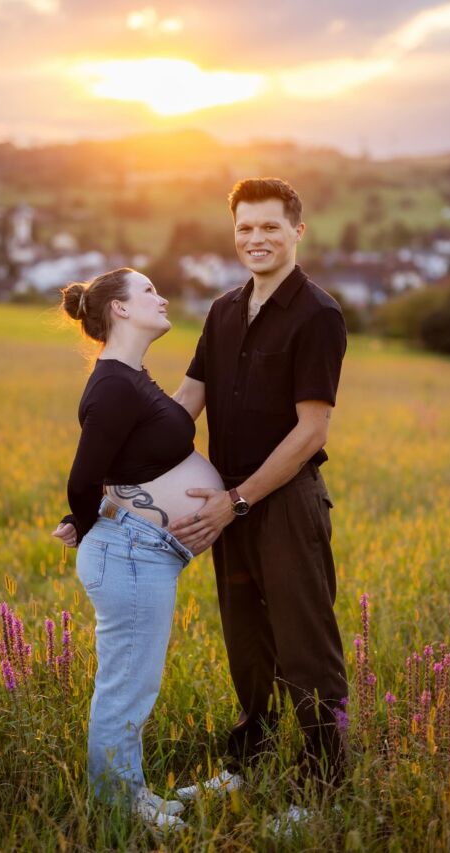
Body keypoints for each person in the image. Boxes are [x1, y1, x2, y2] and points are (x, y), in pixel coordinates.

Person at [169, 178, 348, 823]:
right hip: (227, 503)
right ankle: (246, 766)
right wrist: (120, 455)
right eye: (245, 228)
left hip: (282, 502)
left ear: (297, 231)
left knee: (305, 644)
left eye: (270, 226)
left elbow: (311, 431)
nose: (256, 239)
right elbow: (186, 404)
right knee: (245, 642)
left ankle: (322, 791)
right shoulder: (222, 311)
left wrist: (237, 501)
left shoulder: (318, 314)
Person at [51, 267, 223, 832]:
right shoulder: (114, 384)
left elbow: (119, 463)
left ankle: (129, 793)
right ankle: (118, 806)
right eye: (148, 290)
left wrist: (88, 517)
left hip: (139, 551)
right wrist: (81, 520)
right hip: (128, 554)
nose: (162, 296)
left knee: (133, 683)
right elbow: (83, 479)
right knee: (127, 686)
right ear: (120, 309)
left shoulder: (132, 377)